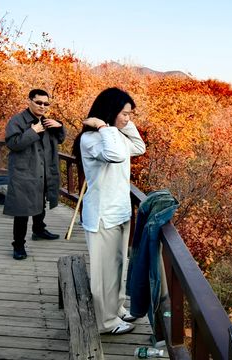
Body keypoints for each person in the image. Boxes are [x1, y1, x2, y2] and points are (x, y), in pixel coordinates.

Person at [72, 87, 146, 335]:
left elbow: (139, 147)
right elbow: (114, 155)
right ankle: (106, 322)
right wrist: (104, 128)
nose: (128, 118)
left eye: (130, 114)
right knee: (104, 273)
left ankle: (117, 307)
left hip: (121, 211)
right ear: (110, 112)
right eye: (124, 113)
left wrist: (119, 126)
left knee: (118, 267)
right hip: (103, 214)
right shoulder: (92, 139)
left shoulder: (117, 136)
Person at [4, 89, 65, 261]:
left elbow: (60, 139)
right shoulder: (17, 121)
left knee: (41, 201)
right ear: (30, 101)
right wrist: (33, 131)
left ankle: (39, 230)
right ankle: (18, 245)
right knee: (22, 210)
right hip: (25, 172)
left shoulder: (47, 122)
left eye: (46, 104)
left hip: (44, 170)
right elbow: (13, 144)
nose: (42, 106)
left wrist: (60, 126)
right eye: (39, 102)